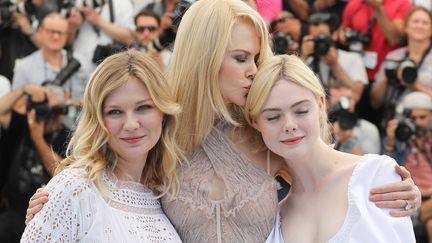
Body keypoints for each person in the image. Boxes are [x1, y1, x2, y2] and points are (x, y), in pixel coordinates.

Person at [26, 0, 422, 242]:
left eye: (255, 57)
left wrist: (393, 182)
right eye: (240, 58)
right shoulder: (163, 134)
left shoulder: (264, 132)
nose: (253, 70)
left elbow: (331, 169)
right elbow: (105, 180)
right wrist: (51, 205)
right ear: (205, 57)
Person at [247, 54, 416, 242]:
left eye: (301, 111)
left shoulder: (375, 175)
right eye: (273, 117)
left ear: (320, 105)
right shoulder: (272, 216)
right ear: (255, 122)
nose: (289, 125)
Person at [21, 49, 183, 242]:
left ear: (163, 113)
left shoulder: (167, 192)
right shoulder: (74, 188)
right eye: (115, 112)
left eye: (143, 108)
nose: (131, 125)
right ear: (97, 120)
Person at [0, 84, 70, 241]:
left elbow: (63, 172)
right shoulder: (25, 125)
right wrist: (23, 90)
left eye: (52, 110)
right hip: (14, 212)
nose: (47, 116)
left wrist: (37, 139)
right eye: (42, 110)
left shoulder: (68, 137)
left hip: (46, 217)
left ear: (61, 111)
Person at [384, 91, 432, 242]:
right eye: (413, 118)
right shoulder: (399, 139)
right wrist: (391, 143)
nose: (417, 122)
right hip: (409, 202)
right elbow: (385, 175)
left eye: (422, 117)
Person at [12, 13, 90, 101]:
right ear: (40, 31)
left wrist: (75, 104)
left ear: (66, 35)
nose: (56, 36)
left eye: (60, 32)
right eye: (51, 31)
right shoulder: (24, 66)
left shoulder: (81, 62)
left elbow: (93, 97)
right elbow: (17, 104)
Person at [371, 7, 432, 113]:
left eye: (425, 23)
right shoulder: (393, 57)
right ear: (406, 27)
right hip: (392, 121)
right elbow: (374, 103)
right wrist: (388, 75)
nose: (419, 26)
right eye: (415, 21)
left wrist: (414, 86)